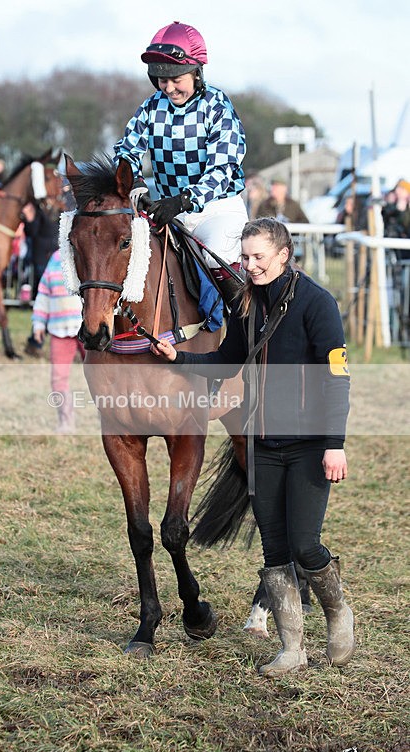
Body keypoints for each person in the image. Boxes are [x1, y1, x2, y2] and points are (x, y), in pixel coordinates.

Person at [152, 217, 354, 678]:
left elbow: (337, 380)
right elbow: (226, 361)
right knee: (273, 552)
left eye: (258, 257)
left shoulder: (318, 304)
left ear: (283, 255)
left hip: (307, 447)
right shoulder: (247, 306)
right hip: (261, 445)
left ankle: (338, 611)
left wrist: (334, 445)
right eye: (245, 257)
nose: (250, 265)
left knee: (305, 546)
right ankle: (292, 648)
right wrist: (178, 357)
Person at [113, 20, 248, 303]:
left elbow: (222, 170)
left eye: (177, 80)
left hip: (217, 209)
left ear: (196, 73)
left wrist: (183, 200)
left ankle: (244, 329)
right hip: (168, 210)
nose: (170, 88)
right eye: (163, 80)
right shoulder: (151, 107)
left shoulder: (217, 105)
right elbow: (127, 151)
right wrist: (136, 183)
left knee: (217, 259)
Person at [30, 250, 84, 433]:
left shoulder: (88, 252)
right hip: (59, 330)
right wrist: (38, 323)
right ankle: (66, 422)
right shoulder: (54, 259)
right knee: (58, 378)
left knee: (100, 374)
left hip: (86, 329)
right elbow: (43, 293)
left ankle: (109, 419)